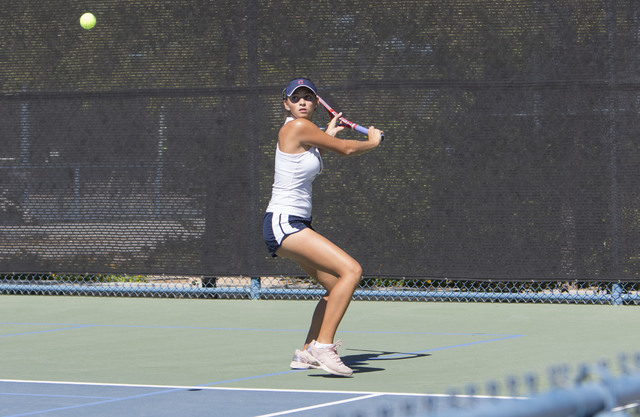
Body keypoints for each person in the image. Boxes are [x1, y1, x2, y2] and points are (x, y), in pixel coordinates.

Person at [262, 78, 383, 377]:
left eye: (308, 98)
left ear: (316, 104)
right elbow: (345, 149)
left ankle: (306, 353)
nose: (302, 102)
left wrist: (326, 134)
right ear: (286, 104)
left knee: (334, 288)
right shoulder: (296, 127)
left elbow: (311, 157)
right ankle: (324, 347)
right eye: (296, 98)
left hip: (294, 223)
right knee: (351, 271)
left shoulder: (308, 135)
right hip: (285, 223)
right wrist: (372, 141)